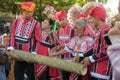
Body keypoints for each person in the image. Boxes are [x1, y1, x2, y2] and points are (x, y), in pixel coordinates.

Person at [7, 2, 41, 80]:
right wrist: (11, 50)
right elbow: (12, 36)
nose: (29, 14)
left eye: (31, 12)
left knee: (32, 77)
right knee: (18, 77)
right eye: (27, 12)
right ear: (22, 11)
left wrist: (32, 55)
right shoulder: (16, 21)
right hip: (17, 56)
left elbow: (38, 41)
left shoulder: (36, 24)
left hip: (29, 57)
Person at [81, 2, 112, 80]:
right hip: (95, 71)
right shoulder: (100, 31)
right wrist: (81, 56)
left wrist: (90, 59)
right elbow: (95, 48)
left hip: (102, 73)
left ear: (96, 18)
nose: (90, 20)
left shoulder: (107, 31)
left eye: (91, 18)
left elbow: (109, 50)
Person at [51, 10, 74, 80]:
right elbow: (56, 44)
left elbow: (74, 44)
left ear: (67, 19)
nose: (62, 21)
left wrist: (64, 46)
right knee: (63, 77)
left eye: (63, 19)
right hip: (61, 59)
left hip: (71, 59)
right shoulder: (57, 31)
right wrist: (56, 46)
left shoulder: (72, 30)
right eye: (60, 20)